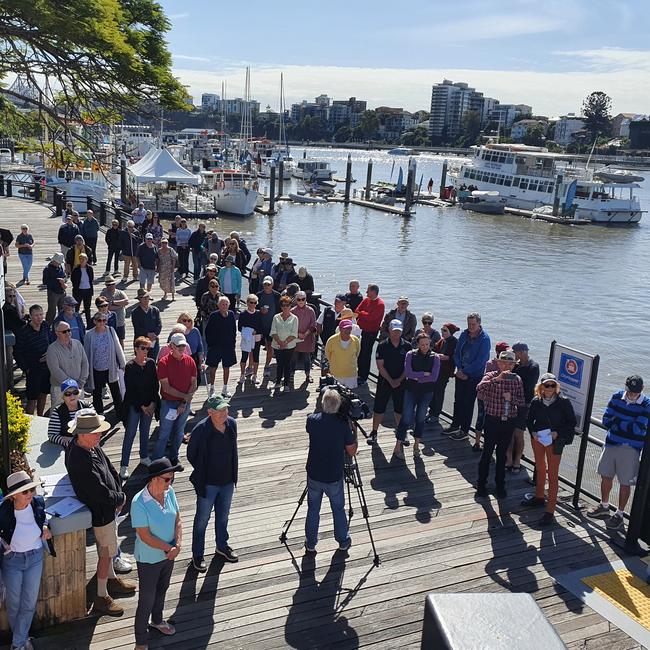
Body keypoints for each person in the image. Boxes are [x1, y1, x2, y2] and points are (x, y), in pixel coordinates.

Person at [65, 409, 137, 615]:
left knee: (108, 550)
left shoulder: (89, 446)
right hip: (101, 510)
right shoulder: (79, 458)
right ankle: (101, 597)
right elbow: (98, 490)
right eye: (96, 432)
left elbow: (109, 469)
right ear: (83, 434)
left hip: (107, 508)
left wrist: (118, 492)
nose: (100, 435)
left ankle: (111, 580)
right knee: (105, 553)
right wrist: (120, 498)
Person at [131, 458, 183, 649]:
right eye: (167, 479)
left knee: (162, 589)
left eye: (172, 479)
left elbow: (178, 519)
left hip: (168, 555)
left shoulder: (170, 492)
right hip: (149, 559)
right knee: (146, 599)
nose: (171, 483)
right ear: (154, 479)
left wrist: (177, 544)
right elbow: (144, 536)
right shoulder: (138, 503)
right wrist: (169, 549)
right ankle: (140, 641)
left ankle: (158, 620)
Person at [587, 375, 650, 532]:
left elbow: (639, 428)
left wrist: (618, 422)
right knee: (605, 476)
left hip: (631, 449)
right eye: (630, 391)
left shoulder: (647, 404)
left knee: (625, 482)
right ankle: (604, 505)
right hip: (611, 444)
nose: (632, 395)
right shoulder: (616, 396)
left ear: (641, 390)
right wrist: (626, 424)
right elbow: (606, 420)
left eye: (635, 392)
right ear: (625, 387)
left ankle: (620, 514)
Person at [0, 471, 53, 650]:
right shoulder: (3, 511)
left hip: (35, 557)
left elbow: (43, 517)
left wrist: (45, 526)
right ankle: (22, 640)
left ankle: (17, 644)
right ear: (14, 495)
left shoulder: (37, 503)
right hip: (12, 561)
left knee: (29, 603)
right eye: (25, 492)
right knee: (14, 604)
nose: (30, 494)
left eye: (31, 489)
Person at [188, 394, 239, 570]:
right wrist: (204, 470)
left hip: (227, 482)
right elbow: (191, 454)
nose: (225, 413)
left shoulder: (232, 424)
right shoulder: (201, 430)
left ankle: (222, 547)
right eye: (220, 410)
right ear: (210, 412)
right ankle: (197, 554)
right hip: (208, 483)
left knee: (223, 517)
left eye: (226, 409)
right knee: (202, 519)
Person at [304, 388, 357, 553]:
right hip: (333, 475)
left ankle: (310, 543)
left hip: (314, 473)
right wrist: (353, 431)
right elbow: (352, 451)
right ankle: (343, 540)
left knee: (313, 509)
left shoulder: (312, 420)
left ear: (322, 404)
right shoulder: (342, 426)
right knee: (338, 509)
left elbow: (312, 427)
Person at [522, 373, 577, 526]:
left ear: (556, 387)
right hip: (538, 439)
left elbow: (571, 422)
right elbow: (529, 420)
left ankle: (550, 511)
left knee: (553, 475)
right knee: (540, 468)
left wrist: (557, 433)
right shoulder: (536, 401)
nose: (550, 388)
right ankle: (539, 497)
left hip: (555, 441)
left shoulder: (564, 402)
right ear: (541, 387)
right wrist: (532, 432)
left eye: (553, 385)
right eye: (547, 385)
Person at [475, 350, 525, 499]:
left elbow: (522, 401)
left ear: (514, 365)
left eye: (510, 363)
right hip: (492, 419)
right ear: (498, 362)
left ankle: (500, 486)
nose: (506, 366)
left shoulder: (517, 380)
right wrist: (497, 379)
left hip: (508, 421)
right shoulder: (491, 376)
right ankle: (481, 485)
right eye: (503, 362)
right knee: (487, 453)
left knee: (502, 455)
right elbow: (479, 389)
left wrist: (512, 399)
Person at [394, 331, 440, 459]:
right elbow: (408, 373)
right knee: (406, 418)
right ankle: (398, 446)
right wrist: (423, 374)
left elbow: (434, 377)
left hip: (426, 392)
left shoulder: (435, 357)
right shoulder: (410, 354)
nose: (425, 346)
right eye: (422, 344)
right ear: (418, 344)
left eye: (427, 344)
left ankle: (416, 445)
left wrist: (418, 376)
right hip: (411, 390)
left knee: (420, 418)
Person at [446, 312, 491, 440]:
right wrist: (460, 369)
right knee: (458, 400)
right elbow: (456, 353)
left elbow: (481, 360)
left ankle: (464, 431)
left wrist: (466, 372)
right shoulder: (464, 334)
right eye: (469, 323)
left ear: (479, 323)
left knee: (468, 403)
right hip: (461, 373)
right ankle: (455, 425)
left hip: (474, 377)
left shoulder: (485, 339)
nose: (471, 326)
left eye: (473, 324)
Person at [154, 333, 197, 464]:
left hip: (184, 403)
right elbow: (166, 388)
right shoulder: (163, 362)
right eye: (178, 345)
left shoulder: (190, 361)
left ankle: (174, 457)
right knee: (164, 435)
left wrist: (183, 402)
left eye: (183, 345)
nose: (181, 348)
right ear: (171, 346)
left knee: (179, 433)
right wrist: (185, 397)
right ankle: (157, 462)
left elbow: (194, 383)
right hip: (168, 403)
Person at [369, 319, 410, 445]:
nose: (396, 333)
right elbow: (380, 366)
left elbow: (408, 366)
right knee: (379, 408)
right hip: (384, 382)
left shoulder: (407, 346)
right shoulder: (382, 345)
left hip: (401, 382)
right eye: (394, 330)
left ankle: (401, 433)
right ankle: (374, 432)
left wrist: (399, 380)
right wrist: (391, 381)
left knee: (400, 409)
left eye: (399, 331)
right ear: (389, 330)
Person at [122, 336, 159, 476]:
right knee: (130, 434)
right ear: (136, 349)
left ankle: (144, 457)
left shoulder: (150, 363)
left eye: (148, 348)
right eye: (143, 348)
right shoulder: (130, 366)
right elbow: (130, 389)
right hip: (135, 405)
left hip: (149, 404)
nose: (146, 351)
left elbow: (155, 385)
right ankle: (124, 464)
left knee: (145, 431)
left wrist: (152, 403)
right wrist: (142, 406)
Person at [84, 311, 126, 416]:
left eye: (104, 320)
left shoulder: (110, 330)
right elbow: (86, 352)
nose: (102, 323)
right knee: (97, 392)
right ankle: (99, 413)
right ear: (94, 321)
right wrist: (86, 370)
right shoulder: (89, 334)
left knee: (115, 391)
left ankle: (120, 413)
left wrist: (122, 363)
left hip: (110, 367)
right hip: (96, 368)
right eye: (99, 320)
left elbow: (118, 347)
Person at [507, 342, 540, 473]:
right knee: (509, 431)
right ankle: (509, 459)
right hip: (512, 402)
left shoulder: (533, 366)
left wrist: (515, 371)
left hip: (525, 404)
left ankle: (517, 460)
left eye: (515, 353)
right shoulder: (516, 365)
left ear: (521, 352)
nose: (514, 356)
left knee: (519, 433)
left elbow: (527, 386)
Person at [470, 341, 510, 449]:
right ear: (497, 352)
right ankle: (477, 442)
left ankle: (488, 443)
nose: (505, 354)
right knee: (481, 418)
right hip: (484, 396)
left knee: (492, 422)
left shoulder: (508, 364)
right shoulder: (491, 363)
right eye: (503, 351)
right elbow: (488, 380)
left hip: (497, 398)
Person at [15, 305, 50, 415]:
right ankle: (30, 422)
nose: (39, 318)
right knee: (32, 398)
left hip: (47, 367)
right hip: (33, 369)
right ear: (30, 316)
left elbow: (51, 340)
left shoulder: (45, 325)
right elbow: (17, 353)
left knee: (44, 393)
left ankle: (41, 417)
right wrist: (26, 368)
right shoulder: (24, 332)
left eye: (41, 314)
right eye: (36, 315)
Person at [46, 319, 89, 406]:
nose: (68, 333)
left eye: (69, 330)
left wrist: (81, 382)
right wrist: (70, 385)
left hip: (79, 387)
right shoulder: (52, 349)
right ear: (57, 333)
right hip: (60, 389)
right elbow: (55, 370)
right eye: (64, 331)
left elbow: (85, 363)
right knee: (60, 416)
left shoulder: (78, 344)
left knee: (79, 415)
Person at [205, 296, 237, 397]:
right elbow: (207, 331)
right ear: (218, 305)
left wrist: (233, 343)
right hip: (215, 346)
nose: (224, 306)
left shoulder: (231, 314)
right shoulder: (213, 316)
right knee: (213, 367)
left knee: (226, 367)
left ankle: (225, 388)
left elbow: (233, 330)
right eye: (222, 304)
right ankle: (212, 388)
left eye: (226, 304)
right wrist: (211, 344)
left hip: (228, 346)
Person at [354, 284, 385, 384]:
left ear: (373, 292)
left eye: (368, 291)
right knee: (359, 352)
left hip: (370, 333)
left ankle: (363, 377)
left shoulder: (380, 304)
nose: (366, 293)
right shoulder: (366, 300)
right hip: (360, 330)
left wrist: (362, 314)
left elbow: (372, 318)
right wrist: (364, 313)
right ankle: (358, 373)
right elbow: (356, 311)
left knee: (366, 354)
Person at [429, 323, 459, 423]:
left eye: (445, 330)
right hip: (436, 370)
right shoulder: (442, 341)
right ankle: (431, 412)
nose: (442, 332)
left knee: (438, 393)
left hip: (445, 372)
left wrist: (441, 356)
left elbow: (451, 357)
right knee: (433, 391)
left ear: (450, 332)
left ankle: (435, 415)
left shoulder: (454, 342)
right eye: (442, 330)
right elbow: (433, 350)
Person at [47, 378, 91, 446]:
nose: (72, 396)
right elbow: (52, 435)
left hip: (89, 444)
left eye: (75, 392)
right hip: (69, 449)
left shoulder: (88, 406)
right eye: (68, 394)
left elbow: (97, 427)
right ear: (62, 396)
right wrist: (65, 440)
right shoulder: (57, 411)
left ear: (79, 393)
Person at [270, 295, 299, 392]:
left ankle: (286, 384)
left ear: (290, 306)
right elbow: (273, 331)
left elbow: (294, 334)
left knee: (287, 364)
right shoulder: (276, 317)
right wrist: (280, 342)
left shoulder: (295, 318)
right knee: (279, 364)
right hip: (277, 345)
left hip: (289, 346)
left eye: (287, 305)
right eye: (283, 305)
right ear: (281, 306)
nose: (285, 307)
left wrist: (285, 342)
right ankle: (278, 382)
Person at [324, 319, 360, 389]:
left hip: (351, 374)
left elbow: (357, 354)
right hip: (336, 374)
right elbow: (328, 354)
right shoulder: (331, 340)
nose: (348, 330)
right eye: (345, 328)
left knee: (350, 396)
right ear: (340, 329)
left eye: (349, 328)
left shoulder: (356, 340)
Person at [316, 293, 346, 376]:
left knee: (338, 365)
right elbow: (318, 323)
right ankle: (323, 382)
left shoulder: (347, 313)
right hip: (327, 342)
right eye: (335, 300)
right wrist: (321, 335)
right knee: (325, 364)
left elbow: (353, 328)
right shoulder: (327, 310)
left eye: (338, 301)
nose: (336, 302)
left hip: (341, 345)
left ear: (344, 303)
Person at [257, 276, 281, 378]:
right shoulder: (259, 295)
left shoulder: (277, 296)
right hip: (260, 326)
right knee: (256, 347)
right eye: (265, 284)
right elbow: (254, 309)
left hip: (273, 326)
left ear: (272, 285)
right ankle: (252, 367)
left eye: (268, 284)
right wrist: (260, 311)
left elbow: (280, 311)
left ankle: (267, 366)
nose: (267, 286)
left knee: (270, 347)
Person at [291, 290, 317, 384]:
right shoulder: (292, 311)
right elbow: (290, 325)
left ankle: (307, 375)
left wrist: (305, 334)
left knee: (307, 358)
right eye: (299, 299)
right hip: (295, 338)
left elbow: (313, 325)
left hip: (307, 338)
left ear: (306, 299)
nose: (301, 301)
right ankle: (291, 374)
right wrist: (298, 334)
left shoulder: (311, 310)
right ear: (296, 300)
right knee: (293, 357)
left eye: (303, 299)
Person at [237, 294, 263, 385]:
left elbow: (261, 327)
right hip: (246, 338)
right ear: (247, 303)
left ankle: (255, 375)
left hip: (256, 338)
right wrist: (248, 332)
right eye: (251, 302)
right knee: (244, 357)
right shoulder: (243, 314)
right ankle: (242, 375)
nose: (253, 304)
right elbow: (239, 327)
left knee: (256, 357)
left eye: (255, 303)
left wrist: (256, 331)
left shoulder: (259, 313)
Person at [131, 288, 162, 359]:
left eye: (147, 297)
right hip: (141, 342)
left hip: (154, 340)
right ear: (139, 299)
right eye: (143, 298)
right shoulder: (135, 312)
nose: (145, 299)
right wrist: (148, 334)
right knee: (140, 362)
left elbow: (159, 325)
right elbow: (137, 328)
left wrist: (154, 334)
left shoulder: (155, 310)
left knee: (153, 361)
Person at [100, 275, 129, 348]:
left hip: (120, 321)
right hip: (109, 322)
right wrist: (121, 305)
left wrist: (114, 302)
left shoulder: (120, 292)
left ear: (115, 284)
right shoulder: (103, 294)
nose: (110, 286)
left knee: (121, 339)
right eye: (108, 285)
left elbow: (126, 301)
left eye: (112, 284)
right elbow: (108, 308)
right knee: (110, 340)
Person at [178, 312, 204, 385]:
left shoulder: (195, 331)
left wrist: (201, 360)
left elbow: (200, 346)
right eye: (184, 320)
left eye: (189, 320)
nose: (187, 322)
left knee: (196, 380)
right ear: (179, 321)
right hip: (180, 359)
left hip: (194, 357)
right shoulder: (176, 332)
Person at [70, 252, 94, 327]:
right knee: (76, 308)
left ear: (86, 260)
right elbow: (72, 279)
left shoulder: (90, 268)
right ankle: (75, 323)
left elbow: (91, 278)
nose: (82, 260)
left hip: (88, 290)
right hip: (79, 291)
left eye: (83, 259)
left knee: (87, 308)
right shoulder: (76, 269)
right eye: (80, 259)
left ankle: (89, 324)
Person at [42, 252, 67, 324]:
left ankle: (61, 323)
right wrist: (57, 281)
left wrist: (63, 281)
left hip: (62, 291)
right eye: (58, 263)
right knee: (52, 310)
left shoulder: (60, 267)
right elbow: (45, 282)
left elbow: (64, 276)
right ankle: (48, 324)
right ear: (54, 261)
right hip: (53, 293)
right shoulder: (47, 269)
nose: (59, 264)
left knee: (62, 310)